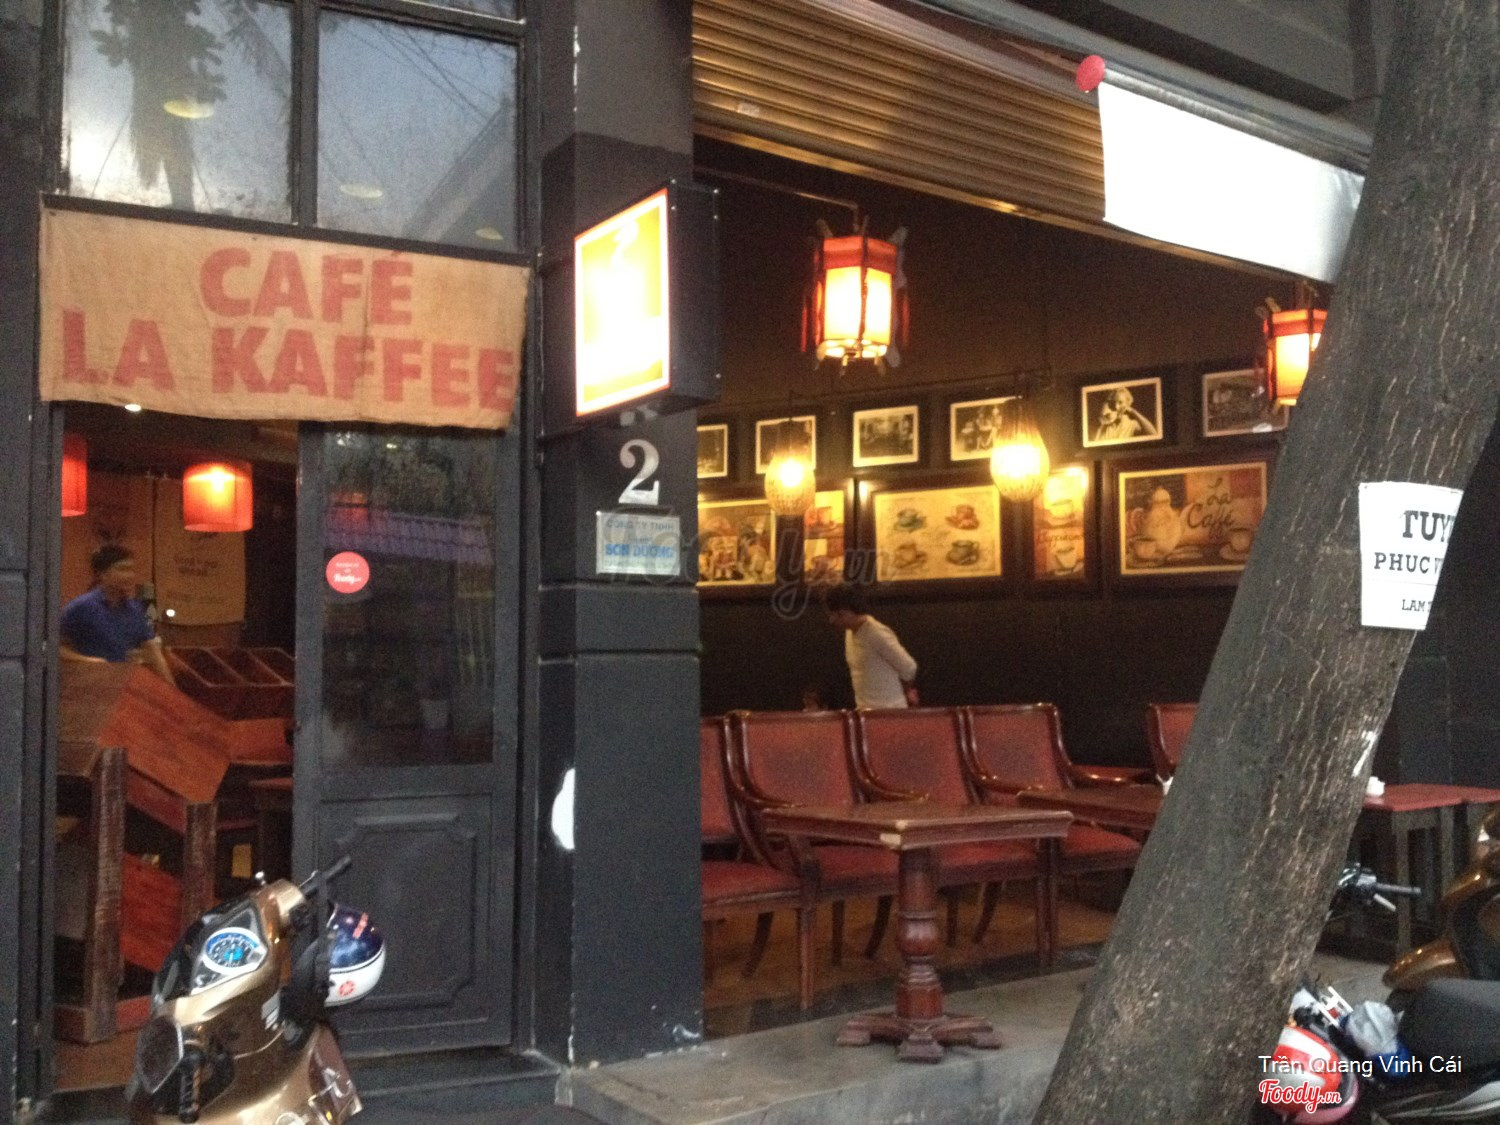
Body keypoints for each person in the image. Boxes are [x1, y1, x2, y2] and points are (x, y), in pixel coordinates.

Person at [60, 544, 176, 686]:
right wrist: (87, 661)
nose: (130, 575)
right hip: (87, 686)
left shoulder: (134, 609)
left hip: (121, 686)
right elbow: (54, 648)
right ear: (103, 574)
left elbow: (154, 653)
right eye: (122, 569)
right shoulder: (81, 607)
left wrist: (172, 689)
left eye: (131, 569)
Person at [823, 583, 918, 709]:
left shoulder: (876, 633)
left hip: (889, 712)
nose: (832, 620)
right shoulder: (850, 633)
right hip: (865, 711)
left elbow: (909, 668)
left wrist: (904, 692)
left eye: (836, 614)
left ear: (849, 611)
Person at [1093, 387, 1158, 442]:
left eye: (1120, 402)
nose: (1116, 407)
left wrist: (1133, 411)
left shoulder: (1132, 424)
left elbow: (1154, 434)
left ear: (1127, 404)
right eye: (1113, 402)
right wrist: (1100, 425)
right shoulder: (1104, 424)